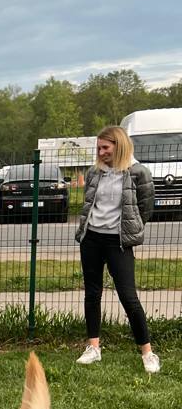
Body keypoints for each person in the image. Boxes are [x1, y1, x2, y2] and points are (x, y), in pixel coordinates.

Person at [74, 126, 160, 374]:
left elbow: (144, 209)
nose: (101, 153)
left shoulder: (138, 172)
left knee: (128, 296)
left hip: (118, 242)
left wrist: (129, 230)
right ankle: (93, 348)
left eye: (105, 148)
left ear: (119, 146)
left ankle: (147, 352)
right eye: (98, 148)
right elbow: (89, 203)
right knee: (92, 293)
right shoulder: (94, 172)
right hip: (91, 239)